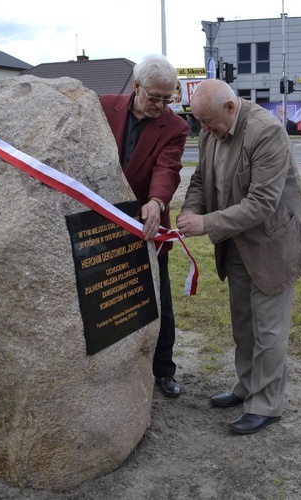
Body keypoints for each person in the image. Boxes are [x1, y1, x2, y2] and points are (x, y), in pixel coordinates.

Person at [176, 80, 301, 435]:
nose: (204, 130)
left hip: (273, 246)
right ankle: (247, 387)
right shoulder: (211, 129)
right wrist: (190, 211)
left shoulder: (266, 132)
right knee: (243, 325)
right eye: (200, 124)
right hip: (235, 243)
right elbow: (199, 180)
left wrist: (205, 223)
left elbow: (261, 204)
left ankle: (267, 404)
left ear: (230, 107)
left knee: (269, 331)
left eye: (208, 122)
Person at [99, 55, 189, 398]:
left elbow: (168, 168)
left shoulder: (175, 127)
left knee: (159, 299)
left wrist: (156, 201)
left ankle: (163, 369)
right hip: (101, 225)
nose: (161, 106)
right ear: (136, 87)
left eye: (169, 99)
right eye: (154, 97)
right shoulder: (104, 107)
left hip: (146, 227)